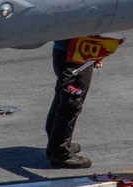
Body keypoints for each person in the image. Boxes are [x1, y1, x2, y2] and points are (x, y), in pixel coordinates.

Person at [45, 38, 101, 169]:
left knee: (62, 98)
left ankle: (55, 145)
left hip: (64, 52)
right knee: (71, 104)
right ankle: (61, 154)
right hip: (76, 57)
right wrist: (97, 50)